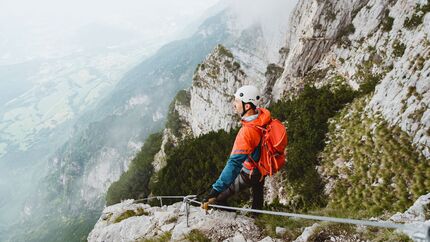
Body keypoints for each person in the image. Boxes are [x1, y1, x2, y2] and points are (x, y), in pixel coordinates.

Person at [202, 85, 272, 212]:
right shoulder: (262, 116)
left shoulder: (247, 132)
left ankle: (235, 220)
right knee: (257, 191)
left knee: (219, 198)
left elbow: (234, 164)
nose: (234, 104)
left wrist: (215, 190)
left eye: (237, 101)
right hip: (262, 167)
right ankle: (258, 216)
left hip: (250, 172)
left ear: (247, 106)